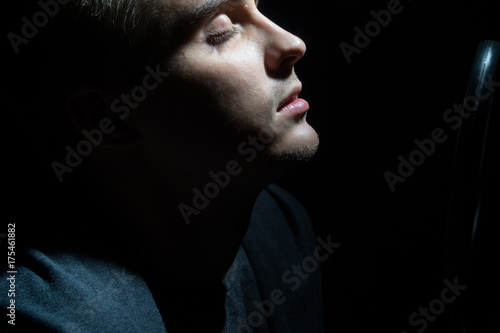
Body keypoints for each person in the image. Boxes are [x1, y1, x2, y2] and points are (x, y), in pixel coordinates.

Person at [2, 0, 323, 332]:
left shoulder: (281, 222)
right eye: (221, 31)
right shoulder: (53, 320)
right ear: (109, 119)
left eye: (258, 4)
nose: (292, 43)